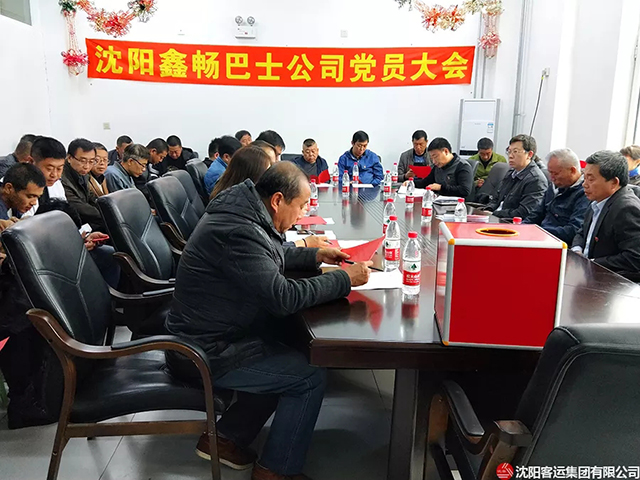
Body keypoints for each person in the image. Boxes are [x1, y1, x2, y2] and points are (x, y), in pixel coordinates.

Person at [166, 162, 371, 480]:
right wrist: (344, 279)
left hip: (216, 334)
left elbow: (267, 256)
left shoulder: (244, 212)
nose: (303, 213)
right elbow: (283, 297)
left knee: (288, 348)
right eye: (301, 205)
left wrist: (315, 255)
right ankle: (277, 471)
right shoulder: (239, 231)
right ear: (277, 200)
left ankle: (225, 438)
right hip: (204, 350)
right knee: (307, 376)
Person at [213, 146, 328, 249]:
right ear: (253, 176)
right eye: (270, 169)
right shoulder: (241, 219)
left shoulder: (237, 200)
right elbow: (267, 250)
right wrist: (303, 243)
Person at [571, 150, 640, 281]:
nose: (584, 184)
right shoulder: (597, 200)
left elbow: (634, 258)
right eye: (584, 177)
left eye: (591, 179)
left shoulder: (626, 209)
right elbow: (582, 231)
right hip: (585, 272)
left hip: (610, 281)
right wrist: (577, 250)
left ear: (614, 182)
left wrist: (591, 263)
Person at [525, 148, 589, 245]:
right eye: (550, 172)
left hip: (559, 243)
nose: (551, 178)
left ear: (572, 170)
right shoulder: (555, 186)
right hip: (541, 237)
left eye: (555, 173)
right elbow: (537, 214)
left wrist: (539, 232)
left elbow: (574, 230)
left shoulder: (585, 193)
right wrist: (522, 228)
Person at [485, 134, 548, 219]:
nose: (510, 156)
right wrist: (488, 210)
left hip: (510, 222)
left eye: (515, 152)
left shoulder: (536, 180)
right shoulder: (511, 172)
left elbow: (523, 213)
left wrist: (494, 214)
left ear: (529, 154)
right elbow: (496, 198)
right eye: (509, 151)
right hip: (496, 218)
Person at [62, 138, 106, 232]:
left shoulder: (83, 174)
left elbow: (91, 197)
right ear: (69, 158)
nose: (87, 166)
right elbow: (76, 205)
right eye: (82, 161)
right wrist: (106, 215)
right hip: (73, 223)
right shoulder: (62, 178)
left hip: (87, 219)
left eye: (91, 161)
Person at [133, 138, 168, 202]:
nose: (161, 160)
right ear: (153, 151)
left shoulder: (147, 162)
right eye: (161, 157)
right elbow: (141, 189)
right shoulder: (139, 163)